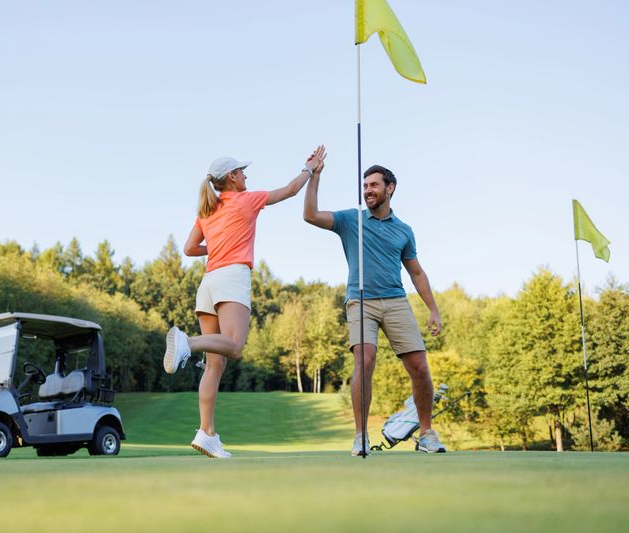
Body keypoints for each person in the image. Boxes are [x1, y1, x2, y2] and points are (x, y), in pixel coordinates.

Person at [163, 145, 327, 459]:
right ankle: (188, 342)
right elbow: (291, 191)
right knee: (235, 346)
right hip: (232, 279)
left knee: (216, 364)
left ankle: (206, 432)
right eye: (241, 172)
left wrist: (218, 245)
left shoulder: (207, 210)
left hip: (208, 284)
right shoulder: (246, 199)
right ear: (232, 178)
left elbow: (188, 249)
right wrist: (309, 168)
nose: (246, 175)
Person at [303, 163, 446, 454]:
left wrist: (433, 309)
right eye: (365, 186)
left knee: (419, 366)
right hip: (361, 300)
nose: (368, 190)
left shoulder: (404, 231)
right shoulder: (351, 220)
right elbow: (310, 215)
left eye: (374, 185)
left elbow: (416, 272)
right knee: (364, 360)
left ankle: (427, 434)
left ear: (389, 188)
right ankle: (360, 436)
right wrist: (314, 177)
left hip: (396, 301)